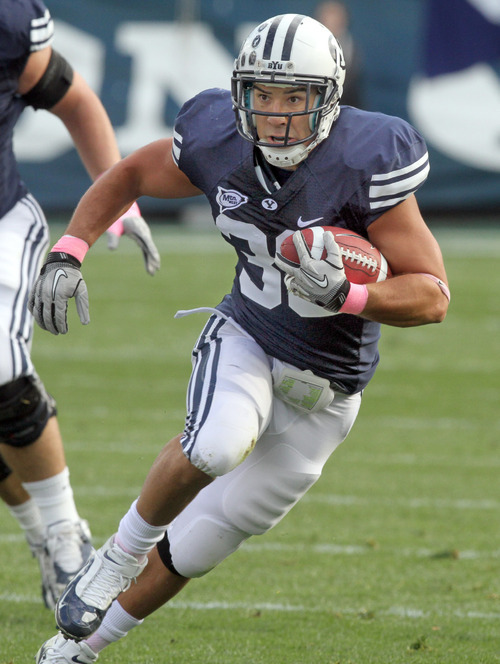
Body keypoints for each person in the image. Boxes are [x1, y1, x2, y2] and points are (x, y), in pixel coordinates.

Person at [31, 13, 450, 662]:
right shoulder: (217, 137)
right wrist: (70, 247)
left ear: (331, 99)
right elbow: (133, 173)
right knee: (218, 443)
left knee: (205, 541)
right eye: (264, 95)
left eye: (297, 98)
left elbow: (431, 295)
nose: (278, 116)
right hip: (250, 335)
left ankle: (77, 652)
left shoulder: (368, 158)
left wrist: (350, 295)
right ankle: (115, 556)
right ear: (240, 94)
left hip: (330, 390)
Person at [0, 0, 160, 611]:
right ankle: (40, 534)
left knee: (4, 371)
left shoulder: (11, 25)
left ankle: (66, 534)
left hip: (2, 220)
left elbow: (76, 101)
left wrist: (122, 203)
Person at [314, 1, 364, 107]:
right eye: (327, 15)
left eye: (335, 16)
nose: (331, 21)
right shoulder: (310, 47)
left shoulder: (351, 49)